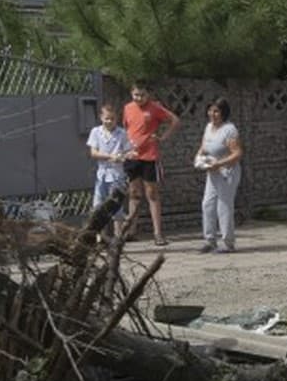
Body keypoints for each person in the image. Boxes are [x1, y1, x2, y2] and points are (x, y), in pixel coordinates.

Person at [118, 80, 179, 245]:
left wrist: (163, 137)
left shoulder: (155, 108)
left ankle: (157, 233)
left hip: (149, 156)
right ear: (132, 94)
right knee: (134, 193)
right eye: (136, 94)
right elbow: (126, 130)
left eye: (142, 94)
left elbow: (175, 120)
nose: (139, 98)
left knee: (151, 193)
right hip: (132, 156)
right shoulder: (127, 108)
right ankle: (131, 230)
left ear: (148, 94)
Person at [194, 98, 244, 253]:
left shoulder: (229, 129)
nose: (212, 114)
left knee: (224, 206)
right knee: (207, 205)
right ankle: (210, 240)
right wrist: (198, 158)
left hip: (227, 173)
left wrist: (219, 164)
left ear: (223, 112)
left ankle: (228, 243)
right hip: (213, 172)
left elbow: (237, 153)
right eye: (210, 110)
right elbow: (204, 146)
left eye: (216, 111)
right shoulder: (209, 127)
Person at [85, 102, 128, 233]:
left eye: (112, 119)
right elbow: (93, 153)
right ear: (101, 118)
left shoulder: (122, 133)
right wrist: (110, 156)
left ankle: (117, 237)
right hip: (101, 175)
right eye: (106, 119)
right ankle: (99, 237)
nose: (109, 121)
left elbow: (127, 152)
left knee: (116, 207)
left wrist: (122, 156)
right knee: (98, 206)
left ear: (117, 118)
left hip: (117, 175)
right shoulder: (96, 132)